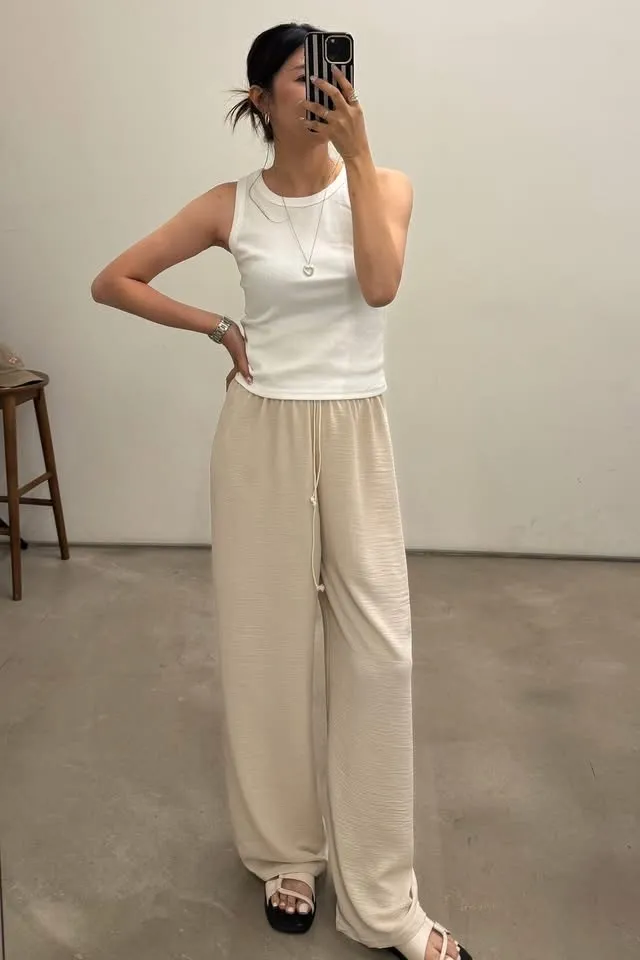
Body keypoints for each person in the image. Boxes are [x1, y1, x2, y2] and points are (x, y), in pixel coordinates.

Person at [91, 21, 473, 960]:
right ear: (261, 98)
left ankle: (385, 902)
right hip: (260, 433)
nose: (322, 91)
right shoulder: (231, 205)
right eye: (302, 79)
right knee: (265, 650)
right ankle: (286, 858)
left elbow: (379, 288)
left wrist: (361, 154)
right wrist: (221, 329)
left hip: (355, 431)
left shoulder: (387, 187)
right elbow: (115, 280)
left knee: (380, 656)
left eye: (331, 75)